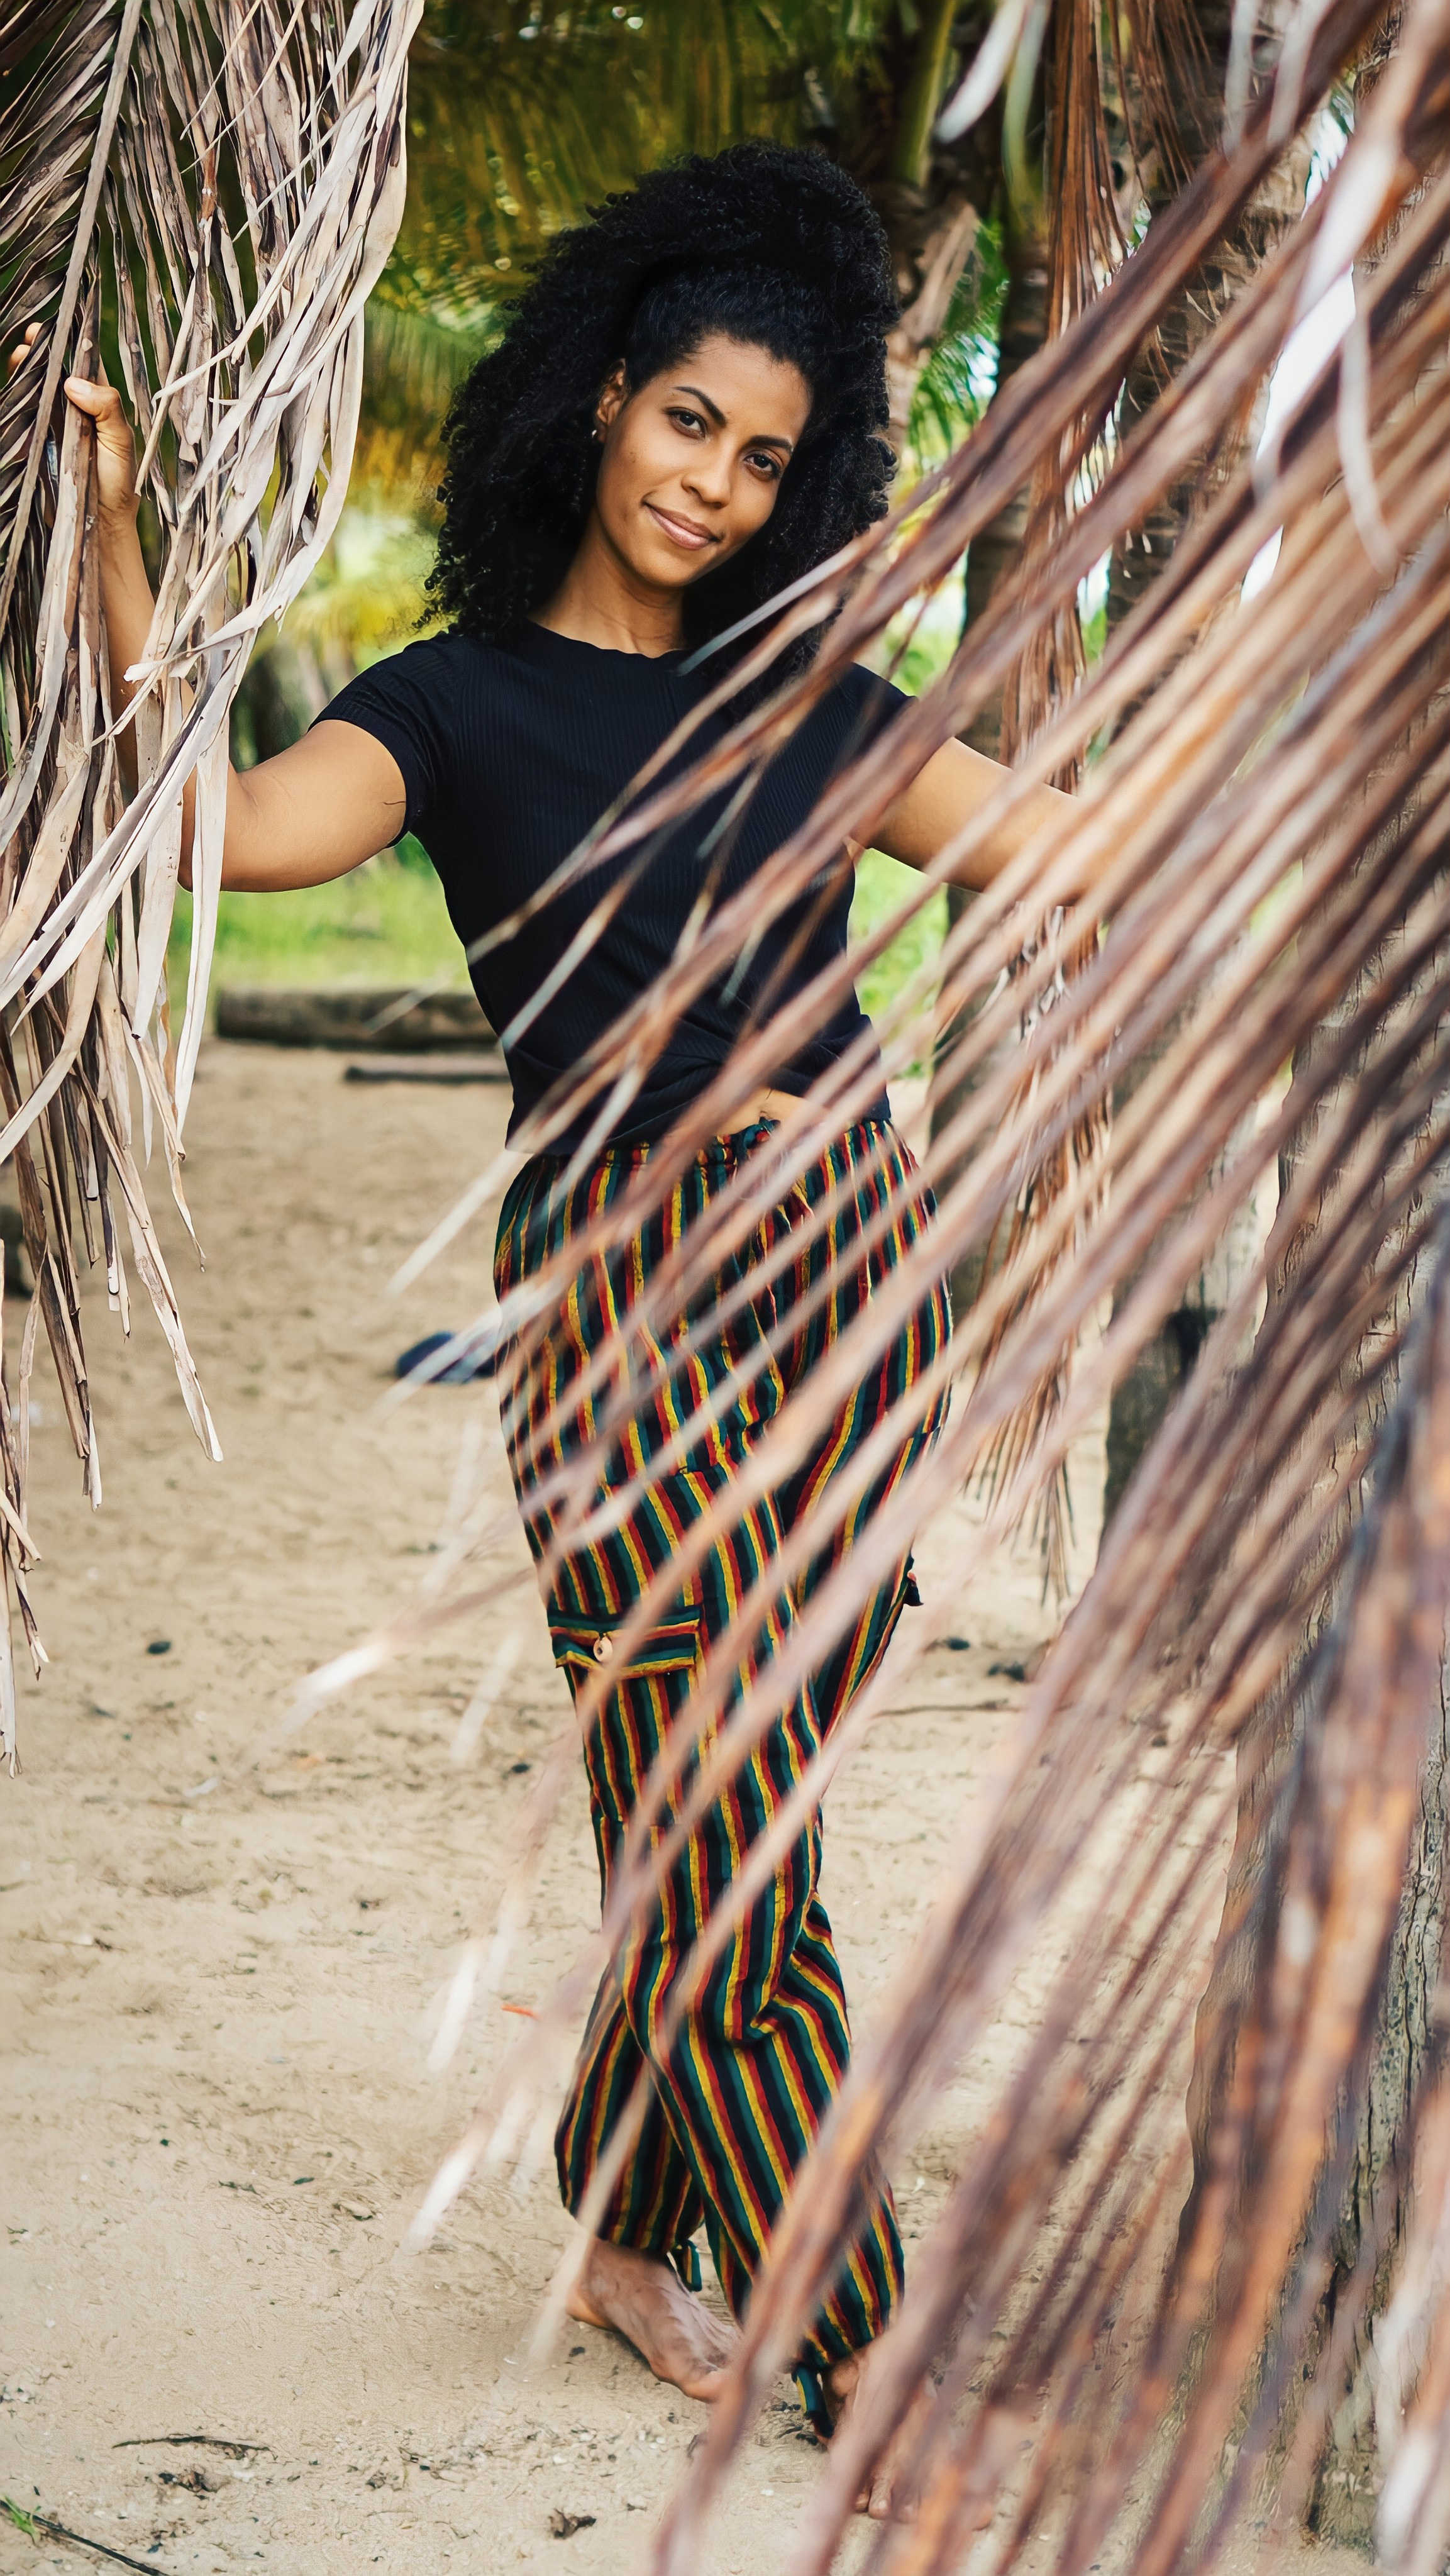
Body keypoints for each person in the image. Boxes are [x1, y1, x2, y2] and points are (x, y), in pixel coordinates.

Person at [45, 140, 1071, 2518]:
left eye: (766, 456)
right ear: (604, 406)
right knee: (722, 1842)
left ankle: (622, 2237)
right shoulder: (456, 706)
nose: (716, 482)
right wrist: (113, 530)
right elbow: (206, 827)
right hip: (619, 1301)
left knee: (734, 1809)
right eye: (688, 423)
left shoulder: (819, 703)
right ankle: (870, 2344)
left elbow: (1079, 851)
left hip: (850, 1299)